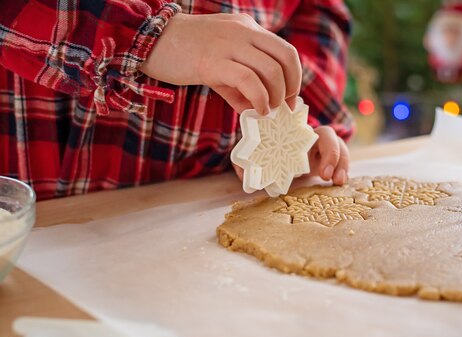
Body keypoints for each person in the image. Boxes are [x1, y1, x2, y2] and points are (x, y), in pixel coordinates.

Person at [0, 0, 354, 200]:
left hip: (199, 211)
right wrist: (152, 38)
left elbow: (317, 15)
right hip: (21, 218)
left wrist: (298, 132)